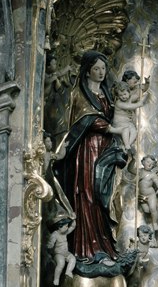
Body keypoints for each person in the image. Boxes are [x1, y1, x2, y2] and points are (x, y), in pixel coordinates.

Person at [52, 50, 130, 271]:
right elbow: (80, 121)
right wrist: (108, 127)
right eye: (96, 68)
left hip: (105, 150)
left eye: (103, 68)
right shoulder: (78, 94)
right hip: (85, 151)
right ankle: (86, 250)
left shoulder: (106, 95)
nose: (101, 72)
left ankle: (104, 248)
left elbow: (118, 115)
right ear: (87, 71)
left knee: (102, 196)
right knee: (87, 194)